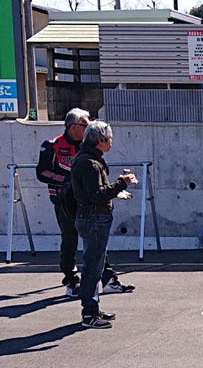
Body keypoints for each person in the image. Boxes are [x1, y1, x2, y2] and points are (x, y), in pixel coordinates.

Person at [36, 108, 134, 298]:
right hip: (65, 201)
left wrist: (115, 191)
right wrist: (70, 180)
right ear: (73, 126)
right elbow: (42, 173)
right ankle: (72, 281)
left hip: (87, 203)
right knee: (69, 241)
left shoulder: (88, 146)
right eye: (85, 124)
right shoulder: (53, 145)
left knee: (97, 242)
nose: (89, 127)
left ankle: (108, 279)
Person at [69, 121, 138, 329]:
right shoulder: (90, 163)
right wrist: (121, 183)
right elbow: (97, 195)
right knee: (92, 267)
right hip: (94, 218)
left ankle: (93, 309)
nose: (110, 142)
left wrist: (116, 191)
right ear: (99, 140)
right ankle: (89, 313)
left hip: (91, 217)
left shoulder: (88, 159)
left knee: (95, 265)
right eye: (108, 139)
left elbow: (95, 192)